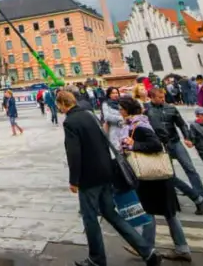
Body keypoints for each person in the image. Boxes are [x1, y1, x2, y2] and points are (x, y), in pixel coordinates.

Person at [60, 91, 159, 266]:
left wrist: (74, 180)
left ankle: (97, 259)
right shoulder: (89, 116)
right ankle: (147, 250)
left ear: (62, 104)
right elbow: (104, 141)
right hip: (106, 172)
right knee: (111, 214)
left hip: (89, 178)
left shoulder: (70, 122)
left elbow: (74, 154)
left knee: (90, 218)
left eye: (59, 105)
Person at [119, 97, 191, 262]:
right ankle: (179, 248)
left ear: (128, 109)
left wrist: (133, 144)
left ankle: (147, 247)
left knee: (151, 212)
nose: (120, 111)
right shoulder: (142, 122)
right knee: (165, 213)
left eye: (121, 108)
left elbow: (156, 145)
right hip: (158, 177)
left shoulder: (140, 126)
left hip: (152, 176)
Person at [145, 87, 203, 213]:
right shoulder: (148, 111)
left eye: (163, 97)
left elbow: (181, 124)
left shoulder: (171, 108)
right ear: (152, 97)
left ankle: (202, 196)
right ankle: (177, 198)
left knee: (190, 169)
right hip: (162, 146)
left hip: (175, 142)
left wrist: (187, 137)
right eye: (159, 97)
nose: (163, 99)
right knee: (170, 174)